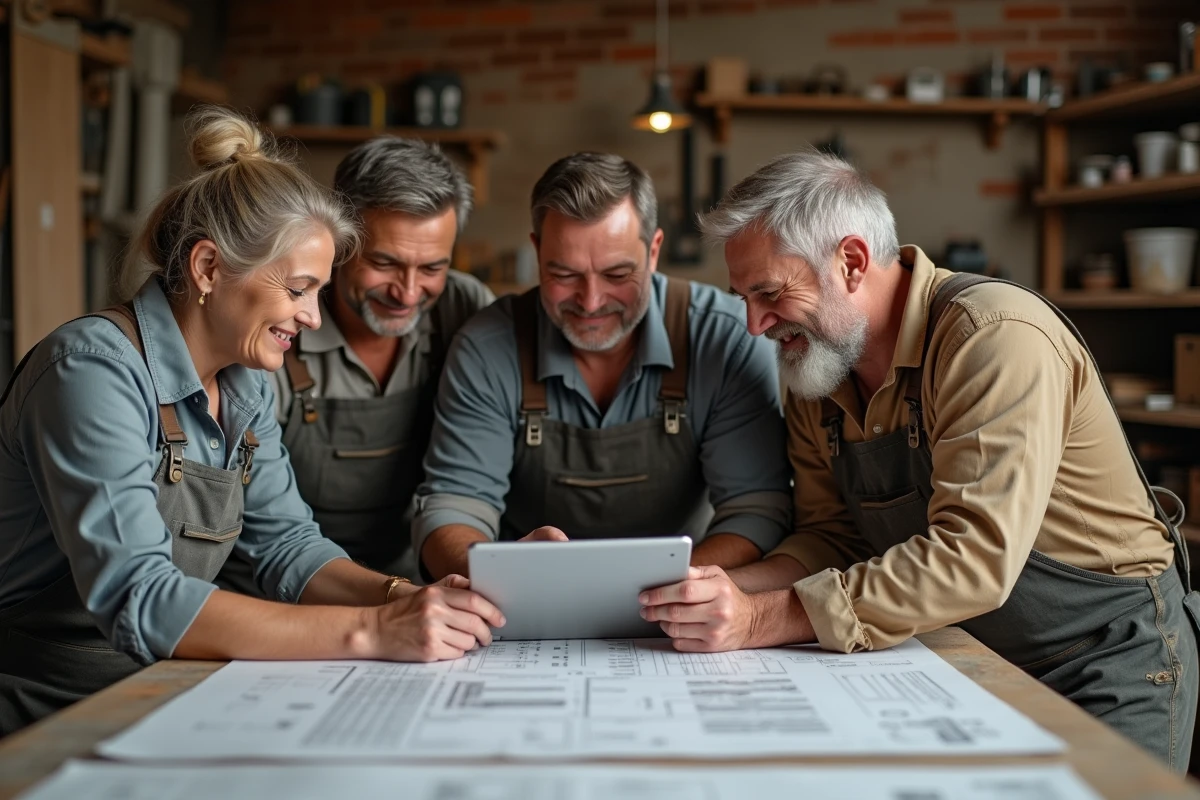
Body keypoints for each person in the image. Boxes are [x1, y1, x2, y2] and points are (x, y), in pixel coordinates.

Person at [638, 150, 1200, 771]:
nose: (753, 324)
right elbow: (833, 536)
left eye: (769, 293)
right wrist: (710, 595)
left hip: (1105, 658)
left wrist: (757, 620)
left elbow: (974, 558)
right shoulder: (816, 369)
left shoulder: (992, 338)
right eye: (742, 297)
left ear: (851, 262)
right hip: (968, 654)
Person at [0, 108, 502, 737]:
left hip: (162, 686)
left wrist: (405, 597)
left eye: (318, 291)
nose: (314, 318)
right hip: (45, 705)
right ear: (209, 269)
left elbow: (289, 549)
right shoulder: (91, 371)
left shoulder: (245, 380)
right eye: (297, 290)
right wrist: (375, 630)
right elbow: (142, 596)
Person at [413, 152, 791, 581]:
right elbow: (454, 505)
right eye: (564, 274)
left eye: (616, 275)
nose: (591, 302)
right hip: (529, 600)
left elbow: (756, 509)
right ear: (537, 251)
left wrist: (670, 587)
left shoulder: (724, 338)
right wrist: (496, 572)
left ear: (653, 252)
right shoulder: (486, 346)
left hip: (682, 598)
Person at [216, 137, 492, 592]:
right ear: (338, 243)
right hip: (274, 589)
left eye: (431, 269)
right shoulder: (278, 324)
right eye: (384, 263)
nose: (406, 292)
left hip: (410, 579)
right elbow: (271, 533)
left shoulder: (465, 310)